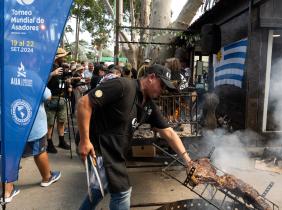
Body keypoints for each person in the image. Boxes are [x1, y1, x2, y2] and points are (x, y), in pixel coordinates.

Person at [77, 64, 192, 210]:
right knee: (122, 192)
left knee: (99, 188)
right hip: (97, 146)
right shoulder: (122, 85)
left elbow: (169, 132)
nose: (162, 91)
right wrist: (84, 140)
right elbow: (84, 103)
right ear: (151, 78)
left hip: (115, 152)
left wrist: (188, 162)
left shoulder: (149, 106)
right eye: (162, 85)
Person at [1, 87, 61, 203]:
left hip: (7, 125)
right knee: (39, 151)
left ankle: (7, 192)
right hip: (32, 126)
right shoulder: (31, 75)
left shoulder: (2, 73)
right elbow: (47, 96)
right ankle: (47, 178)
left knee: (9, 155)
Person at [45, 48, 71, 153]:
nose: (64, 58)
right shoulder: (49, 67)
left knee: (62, 121)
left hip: (62, 99)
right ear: (57, 57)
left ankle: (61, 141)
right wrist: (52, 74)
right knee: (50, 123)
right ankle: (49, 144)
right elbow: (43, 82)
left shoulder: (61, 67)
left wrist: (67, 83)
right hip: (51, 99)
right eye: (63, 56)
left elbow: (61, 82)